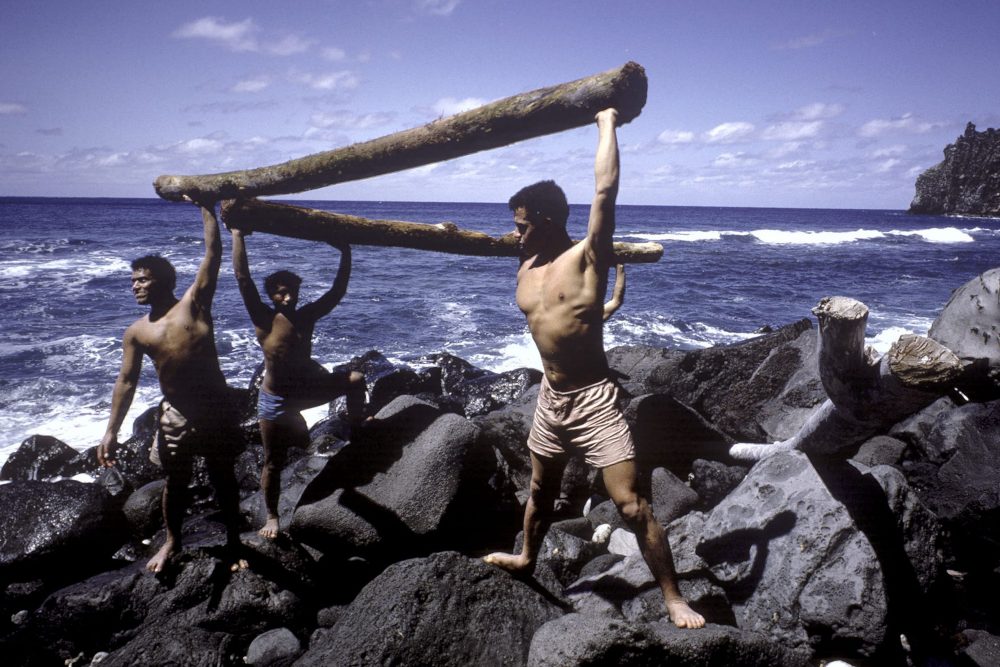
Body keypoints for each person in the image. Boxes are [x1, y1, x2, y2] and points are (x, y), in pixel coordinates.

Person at [484, 109, 705, 629]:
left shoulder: (588, 258)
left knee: (630, 505)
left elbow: (605, 191)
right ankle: (527, 558)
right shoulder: (525, 263)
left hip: (595, 402)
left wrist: (606, 122)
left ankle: (673, 597)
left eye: (521, 225)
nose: (514, 234)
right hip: (549, 399)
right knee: (540, 492)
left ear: (546, 222)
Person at [98, 199, 246, 574]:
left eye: (142, 279)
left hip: (215, 408)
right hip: (176, 414)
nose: (135, 286)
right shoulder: (137, 331)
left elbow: (212, 254)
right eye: (133, 280)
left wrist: (206, 207)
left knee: (223, 477)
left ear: (163, 281)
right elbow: (127, 381)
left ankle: (235, 542)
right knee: (175, 482)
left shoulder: (194, 305)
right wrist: (111, 430)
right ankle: (172, 541)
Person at [230, 226, 367, 539]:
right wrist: (237, 234)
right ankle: (272, 516)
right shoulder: (263, 318)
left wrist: (346, 251)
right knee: (272, 462)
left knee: (356, 379)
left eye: (292, 291)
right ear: (271, 295)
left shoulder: (307, 316)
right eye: (281, 292)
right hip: (275, 400)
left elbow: (337, 292)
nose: (288, 296)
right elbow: (242, 278)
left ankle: (358, 428)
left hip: (307, 392)